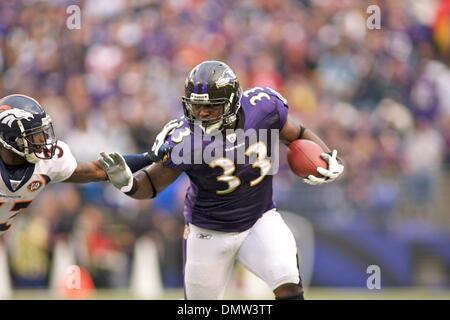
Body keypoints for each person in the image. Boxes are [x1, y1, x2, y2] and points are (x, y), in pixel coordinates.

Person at [100, 60, 344, 300]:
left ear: (232, 103)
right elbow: (152, 183)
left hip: (259, 219)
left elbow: (297, 133)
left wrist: (325, 156)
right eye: (196, 106)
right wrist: (128, 184)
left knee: (288, 281)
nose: (203, 113)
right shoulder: (185, 137)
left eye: (212, 106)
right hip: (208, 232)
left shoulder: (263, 108)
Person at [0, 94, 164, 234]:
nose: (43, 140)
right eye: (35, 135)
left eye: (42, 132)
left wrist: (150, 156)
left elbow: (101, 169)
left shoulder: (49, 162)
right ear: (11, 139)